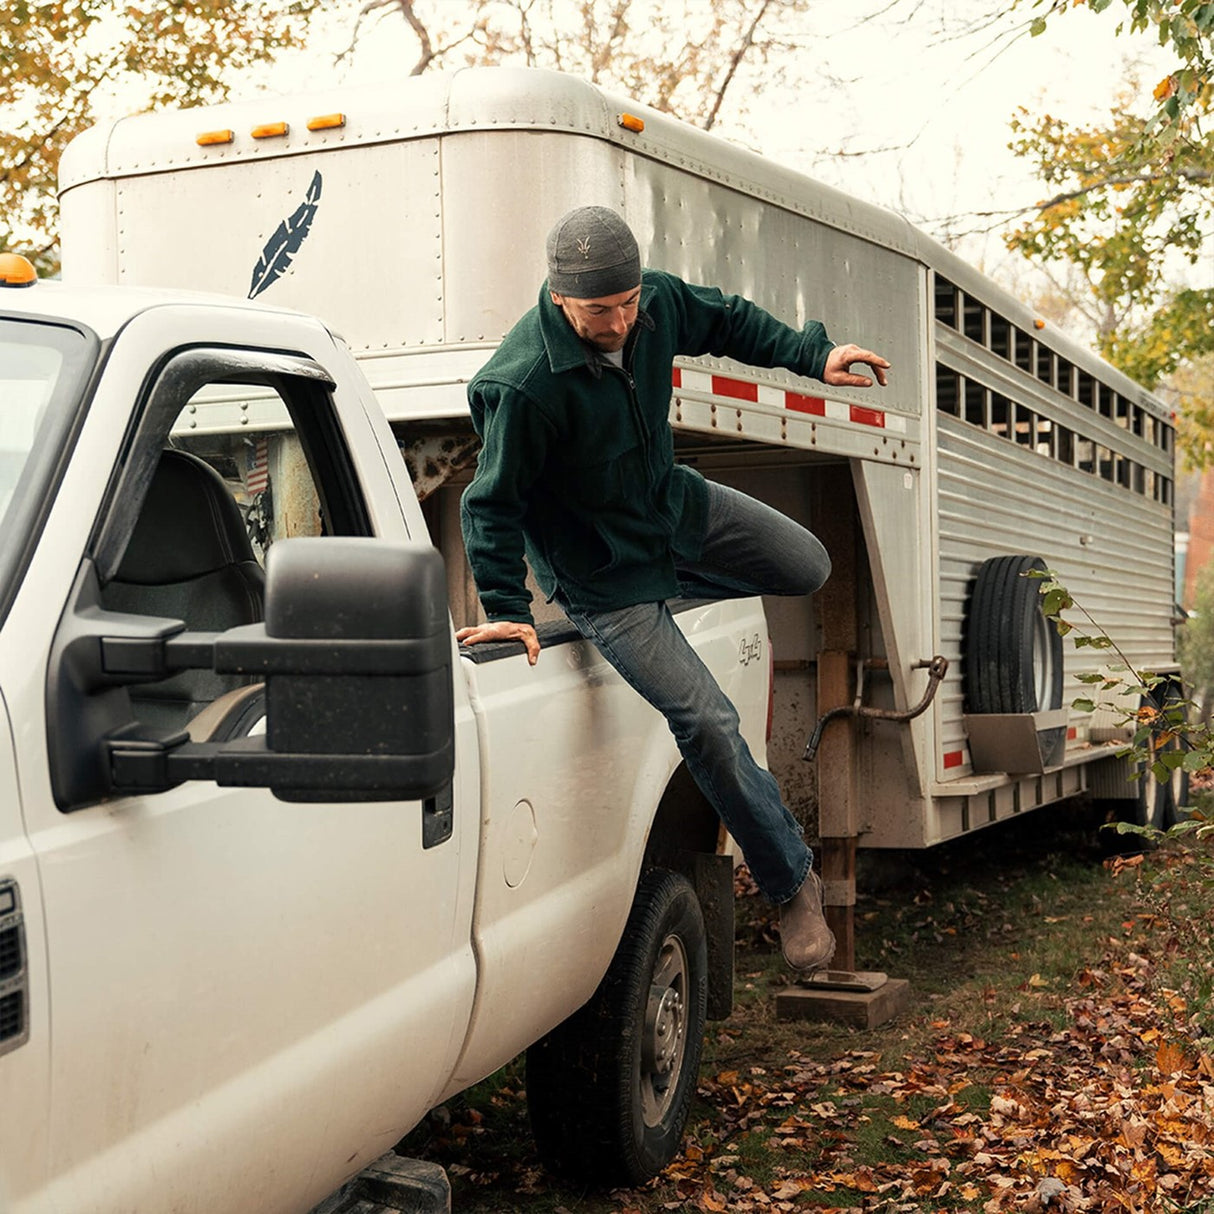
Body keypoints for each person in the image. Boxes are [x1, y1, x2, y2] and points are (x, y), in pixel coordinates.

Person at [456, 206, 890, 972]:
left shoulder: (651, 303)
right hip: (603, 582)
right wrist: (505, 608)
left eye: (628, 305)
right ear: (559, 299)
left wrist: (810, 355)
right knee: (708, 723)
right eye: (601, 311)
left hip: (672, 508)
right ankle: (792, 884)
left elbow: (725, 319)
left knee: (807, 566)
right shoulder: (522, 386)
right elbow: (489, 504)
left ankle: (666, 588)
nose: (621, 322)